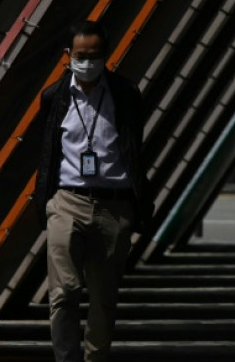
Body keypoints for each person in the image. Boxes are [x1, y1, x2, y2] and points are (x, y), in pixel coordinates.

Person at [34, 20, 154, 362]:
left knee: (103, 297)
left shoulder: (124, 94)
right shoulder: (54, 97)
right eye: (81, 55)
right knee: (64, 292)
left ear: (107, 55)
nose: (87, 62)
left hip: (113, 207)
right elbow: (47, 152)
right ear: (68, 55)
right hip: (67, 201)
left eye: (95, 55)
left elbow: (134, 147)